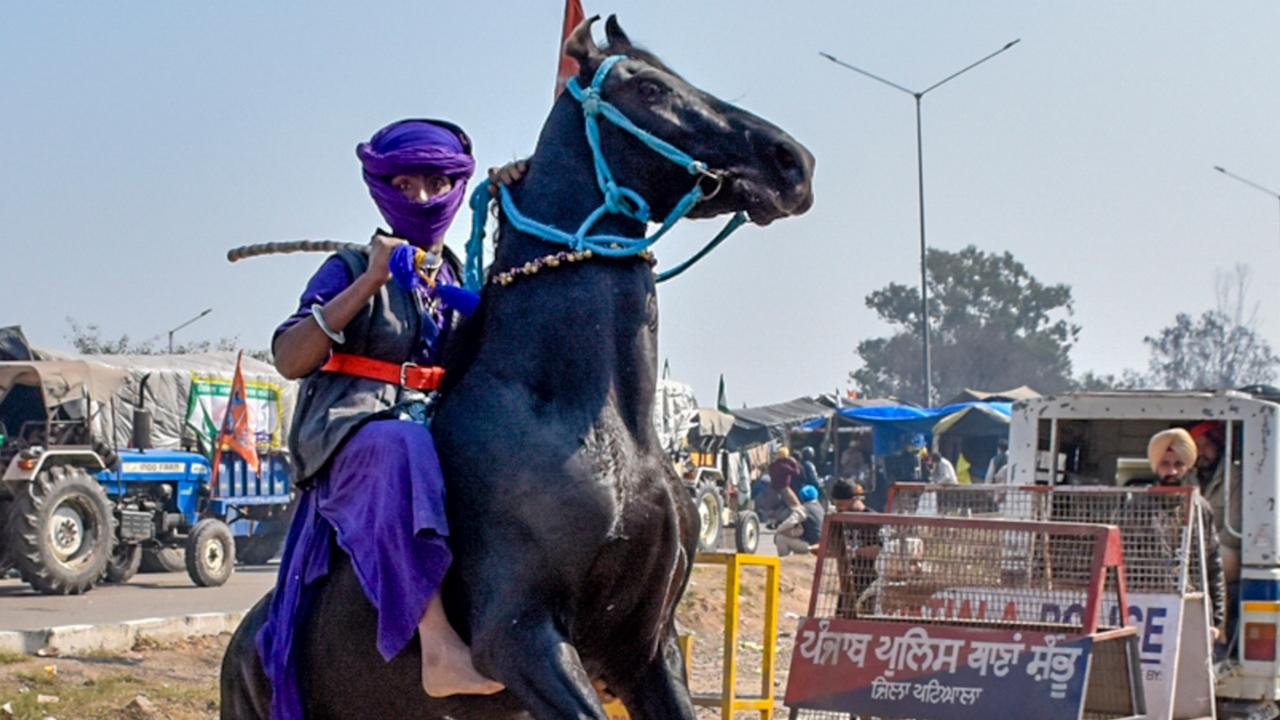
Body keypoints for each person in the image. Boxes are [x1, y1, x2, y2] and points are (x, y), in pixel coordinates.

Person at [257, 119, 516, 718]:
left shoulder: (457, 273)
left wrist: (519, 188)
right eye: (405, 184)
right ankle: (438, 647)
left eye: (434, 184)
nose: (421, 198)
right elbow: (290, 357)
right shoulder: (348, 266)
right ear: (381, 189)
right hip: (355, 437)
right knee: (402, 445)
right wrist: (373, 278)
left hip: (436, 425)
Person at [1148, 428, 1227, 643]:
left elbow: (1213, 565)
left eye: (1178, 464)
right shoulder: (1134, 506)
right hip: (1147, 605)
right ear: (1155, 466)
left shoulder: (1200, 507)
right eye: (1165, 464)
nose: (1172, 471)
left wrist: (1216, 622)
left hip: (1190, 604)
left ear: (1187, 467)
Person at [775, 485, 825, 557]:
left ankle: (784, 561)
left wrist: (778, 530)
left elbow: (789, 523)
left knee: (780, 537)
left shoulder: (804, 509)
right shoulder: (820, 508)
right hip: (821, 543)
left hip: (810, 545)